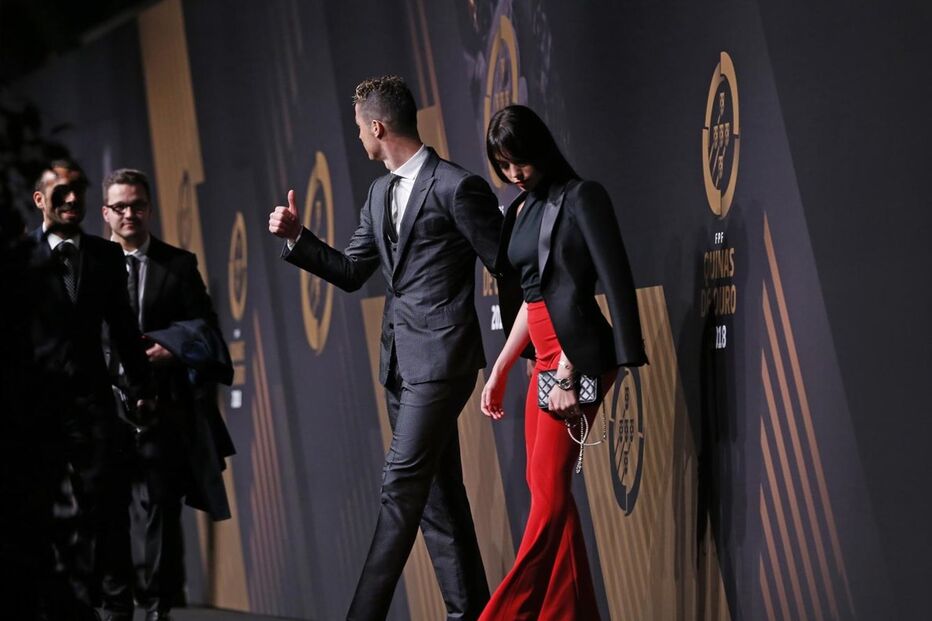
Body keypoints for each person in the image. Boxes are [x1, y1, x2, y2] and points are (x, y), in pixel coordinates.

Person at [269, 75, 503, 620]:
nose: (358, 139)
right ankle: (471, 613)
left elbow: (508, 267)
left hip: (443, 362)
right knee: (438, 496)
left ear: (378, 126)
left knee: (400, 486)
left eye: (359, 129)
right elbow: (353, 272)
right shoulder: (379, 193)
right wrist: (297, 239)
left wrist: (524, 354)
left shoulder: (456, 187)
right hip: (399, 365)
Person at [479, 105, 648, 620]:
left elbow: (612, 282)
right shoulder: (520, 212)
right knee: (545, 491)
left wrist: (572, 371)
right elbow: (533, 301)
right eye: (503, 166)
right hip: (543, 362)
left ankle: (504, 615)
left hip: (583, 361)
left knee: (550, 502)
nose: (514, 174)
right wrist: (504, 368)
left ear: (540, 146)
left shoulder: (582, 198)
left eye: (518, 161)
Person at [96, 168, 234, 621]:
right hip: (104, 410)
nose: (129, 213)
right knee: (108, 511)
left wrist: (169, 349)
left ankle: (156, 609)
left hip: (161, 408)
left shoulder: (179, 264)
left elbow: (208, 332)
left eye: (137, 205)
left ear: (149, 208)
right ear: (106, 213)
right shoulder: (85, 268)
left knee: (159, 506)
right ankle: (116, 607)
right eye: (120, 206)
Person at [27, 159, 155, 619]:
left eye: (78, 190)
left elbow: (123, 327)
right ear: (40, 199)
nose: (72, 199)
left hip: (93, 405)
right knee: (39, 512)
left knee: (107, 506)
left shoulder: (103, 255)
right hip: (35, 411)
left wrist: (140, 386)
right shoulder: (18, 259)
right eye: (60, 192)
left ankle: (116, 604)